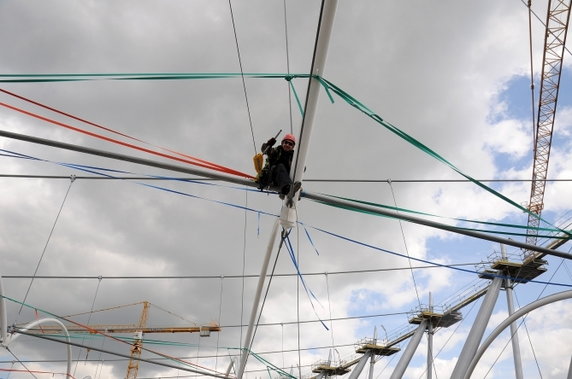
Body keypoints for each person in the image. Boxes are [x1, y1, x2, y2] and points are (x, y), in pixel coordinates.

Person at [257, 133, 300, 199]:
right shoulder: (277, 150)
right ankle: (287, 190)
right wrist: (268, 144)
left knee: (285, 170)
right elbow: (265, 150)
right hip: (271, 176)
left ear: (293, 147)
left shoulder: (293, 157)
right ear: (282, 143)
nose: (287, 145)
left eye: (290, 144)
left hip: (284, 179)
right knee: (280, 166)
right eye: (286, 142)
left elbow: (299, 168)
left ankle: (287, 190)